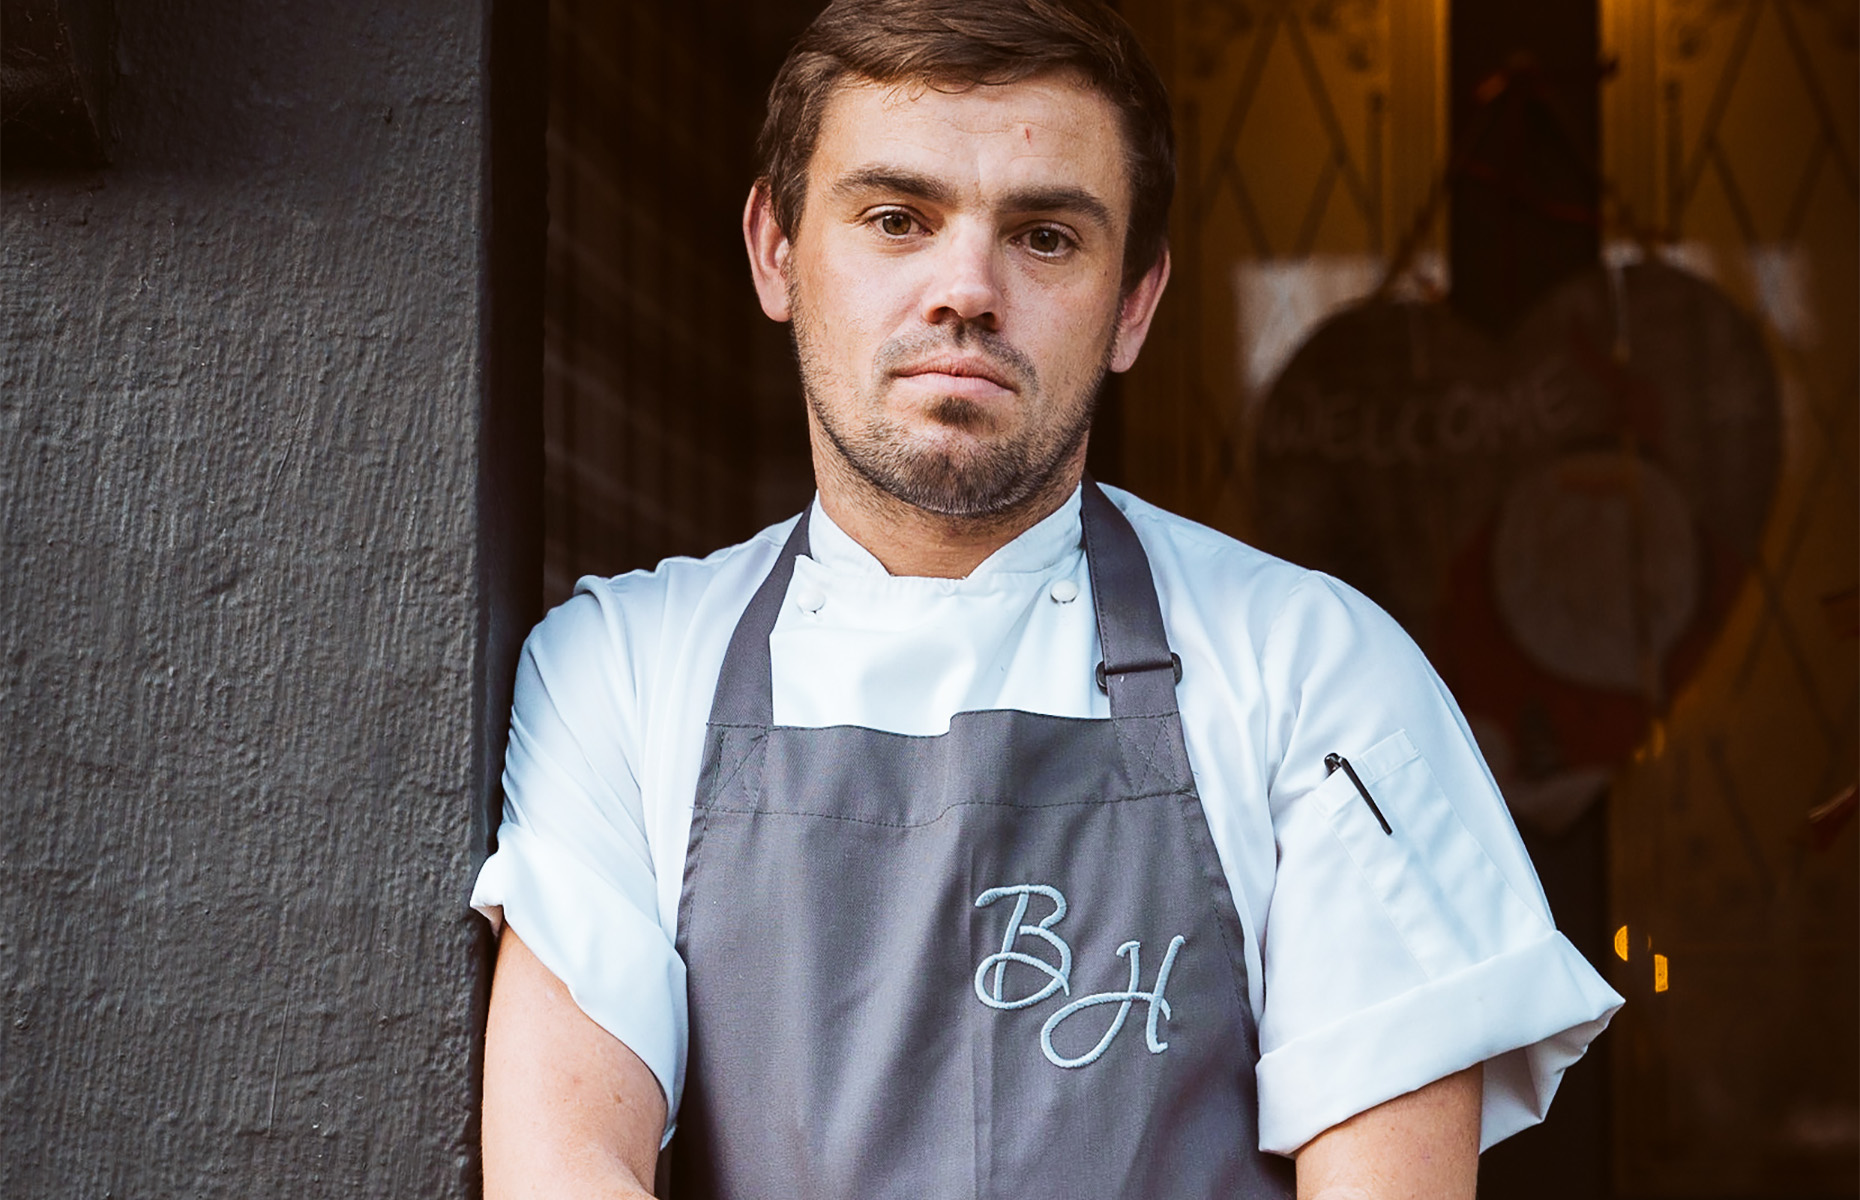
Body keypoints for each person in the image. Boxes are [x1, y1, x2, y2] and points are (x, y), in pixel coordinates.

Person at [474, 1, 1623, 1195]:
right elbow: (567, 1170)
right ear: (777, 251)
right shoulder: (621, 671)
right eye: (895, 218)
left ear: (1134, 303)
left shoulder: (1313, 668)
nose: (965, 289)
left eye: (1046, 238)